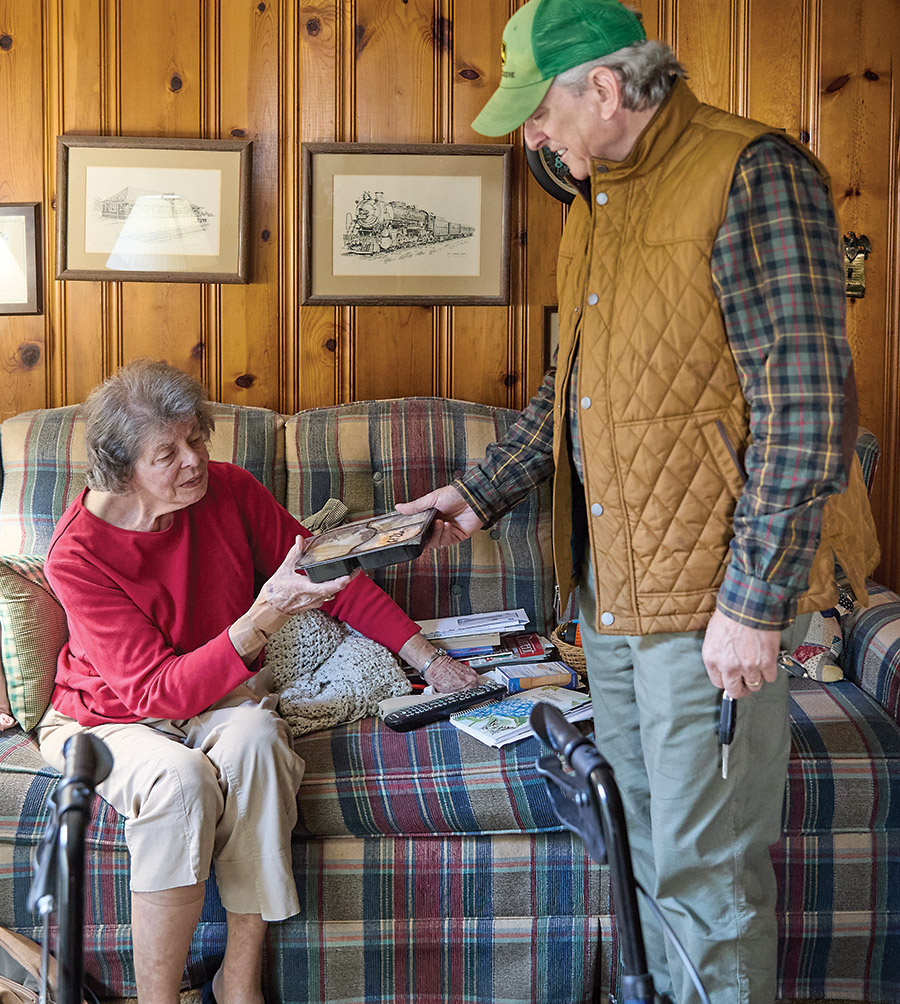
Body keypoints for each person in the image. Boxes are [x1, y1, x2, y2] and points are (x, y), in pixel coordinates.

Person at [394, 1, 880, 1001]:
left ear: (605, 91)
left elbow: (807, 402)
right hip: (614, 595)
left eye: (538, 113)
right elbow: (574, 386)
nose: (531, 134)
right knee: (640, 847)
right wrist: (478, 490)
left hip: (706, 603)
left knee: (703, 868)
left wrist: (752, 602)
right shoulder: (599, 204)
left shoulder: (753, 174)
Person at [34, 359, 477, 1004]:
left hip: (212, 696)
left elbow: (332, 577)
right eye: (168, 452)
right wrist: (262, 615)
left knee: (259, 738)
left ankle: (239, 981)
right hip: (108, 717)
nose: (193, 462)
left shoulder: (229, 489)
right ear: (120, 468)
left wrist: (429, 660)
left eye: (196, 439)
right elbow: (156, 693)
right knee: (180, 782)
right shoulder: (77, 557)